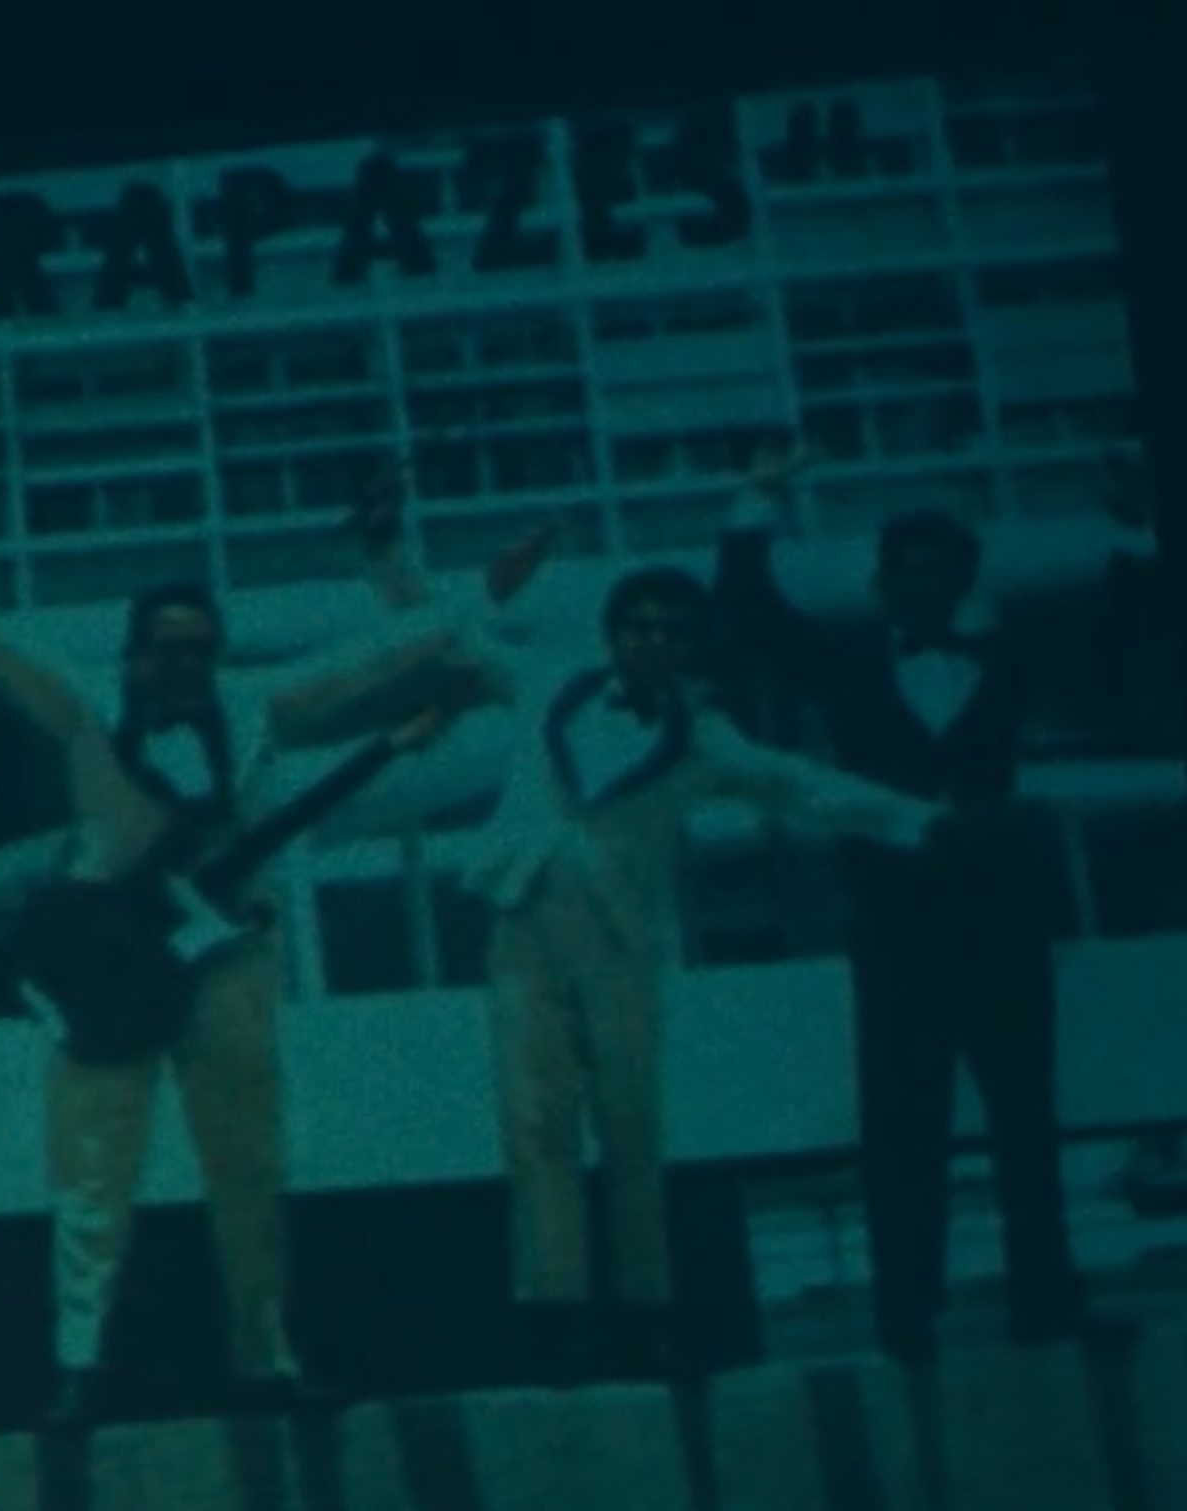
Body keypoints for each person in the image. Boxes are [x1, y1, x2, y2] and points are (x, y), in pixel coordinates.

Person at [0, 497, 479, 1426]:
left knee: (249, 1165)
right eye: (164, 649)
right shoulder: (87, 706)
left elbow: (374, 659)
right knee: (92, 1174)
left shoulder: (256, 709)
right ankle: (78, 1367)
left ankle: (266, 1359)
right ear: (132, 655)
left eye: (199, 649)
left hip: (229, 962)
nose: (182, 665)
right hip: (107, 971)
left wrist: (427, 572)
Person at [418, 553, 1002, 1385]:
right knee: (536, 1124)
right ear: (613, 634)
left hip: (618, 942)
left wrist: (920, 819)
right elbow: (463, 640)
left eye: (672, 633)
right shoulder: (552, 683)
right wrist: (392, 559)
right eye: (638, 627)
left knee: (630, 1126)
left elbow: (802, 785)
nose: (652, 643)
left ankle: (646, 1313)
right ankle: (554, 1315)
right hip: (522, 921)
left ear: (692, 649)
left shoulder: (704, 739)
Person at [717, 438, 1127, 1364]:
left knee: (1027, 1125)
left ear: (963, 584)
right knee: (902, 1129)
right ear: (883, 583)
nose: (923, 588)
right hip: (896, 938)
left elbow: (1120, 624)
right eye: (909, 573)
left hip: (1006, 931)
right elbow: (752, 613)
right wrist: (755, 499)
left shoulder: (1011, 663)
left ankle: (1046, 1302)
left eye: (941, 574)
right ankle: (906, 1314)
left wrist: (1136, 522)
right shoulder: (850, 670)